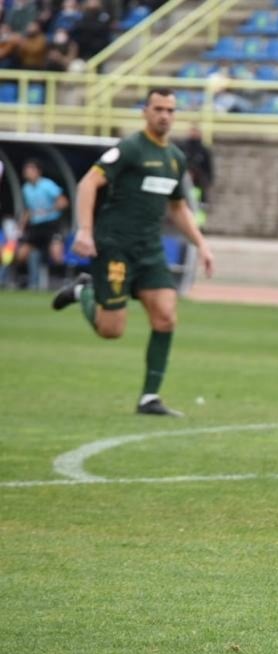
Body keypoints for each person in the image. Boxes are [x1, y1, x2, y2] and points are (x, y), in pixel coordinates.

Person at [50, 88, 216, 416]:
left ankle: (149, 398)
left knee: (167, 316)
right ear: (145, 112)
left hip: (150, 249)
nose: (164, 115)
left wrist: (202, 243)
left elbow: (178, 206)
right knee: (112, 330)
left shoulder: (175, 158)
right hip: (116, 246)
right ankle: (84, 289)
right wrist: (84, 231)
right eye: (158, 109)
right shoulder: (129, 149)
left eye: (170, 109)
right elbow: (87, 184)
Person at [16, 160, 69, 290]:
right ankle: (22, 280)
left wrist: (48, 210)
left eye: (30, 169)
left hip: (51, 224)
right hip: (36, 226)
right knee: (21, 254)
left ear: (38, 171)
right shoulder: (26, 188)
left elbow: (63, 202)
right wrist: (22, 226)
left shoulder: (47, 185)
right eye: (26, 169)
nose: (27, 172)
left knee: (56, 254)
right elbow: (29, 209)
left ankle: (63, 282)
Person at [178, 124, 215, 205]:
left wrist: (208, 181)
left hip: (199, 185)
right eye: (192, 131)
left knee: (198, 207)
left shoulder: (204, 150)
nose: (193, 133)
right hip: (183, 185)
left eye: (195, 131)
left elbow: (209, 168)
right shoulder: (182, 147)